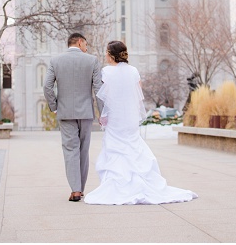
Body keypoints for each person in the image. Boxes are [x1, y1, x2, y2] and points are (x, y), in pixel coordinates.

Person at [84, 41, 197, 205]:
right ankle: (141, 180)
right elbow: (138, 95)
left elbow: (104, 97)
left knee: (115, 148)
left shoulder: (106, 72)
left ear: (112, 55)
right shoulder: (133, 71)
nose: (105, 55)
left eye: (107, 52)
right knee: (133, 145)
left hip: (116, 117)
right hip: (129, 118)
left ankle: (118, 183)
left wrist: (104, 115)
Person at [43, 32, 103, 202]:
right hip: (86, 113)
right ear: (80, 42)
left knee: (70, 151)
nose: (86, 47)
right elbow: (99, 89)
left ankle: (75, 190)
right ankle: (81, 189)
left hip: (65, 112)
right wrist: (102, 112)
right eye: (86, 44)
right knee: (84, 150)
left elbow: (47, 86)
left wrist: (54, 106)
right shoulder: (92, 61)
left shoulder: (55, 61)